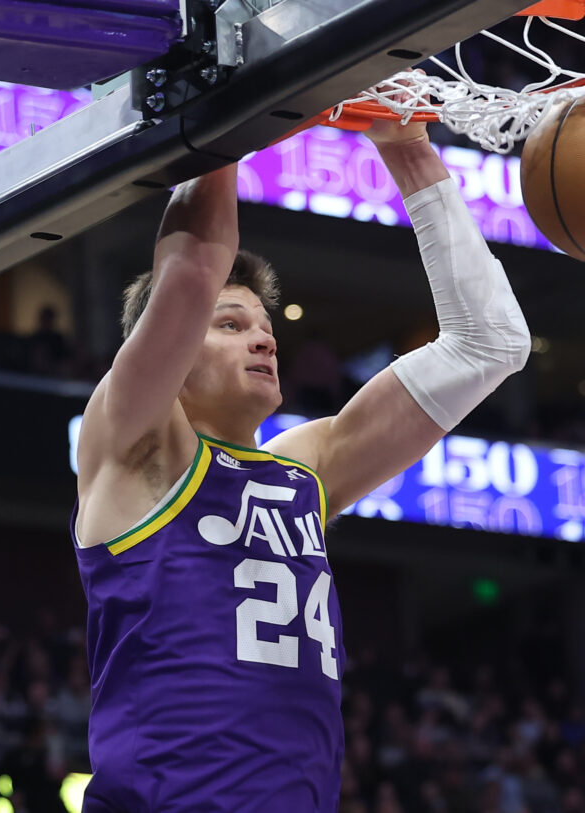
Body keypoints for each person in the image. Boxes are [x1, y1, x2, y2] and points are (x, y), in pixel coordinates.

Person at [71, 105, 531, 812]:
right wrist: (236, 94)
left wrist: (407, 148)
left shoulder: (303, 473)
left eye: (265, 326)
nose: (264, 340)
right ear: (163, 350)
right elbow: (193, 269)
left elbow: (490, 344)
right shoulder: (135, 446)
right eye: (232, 325)